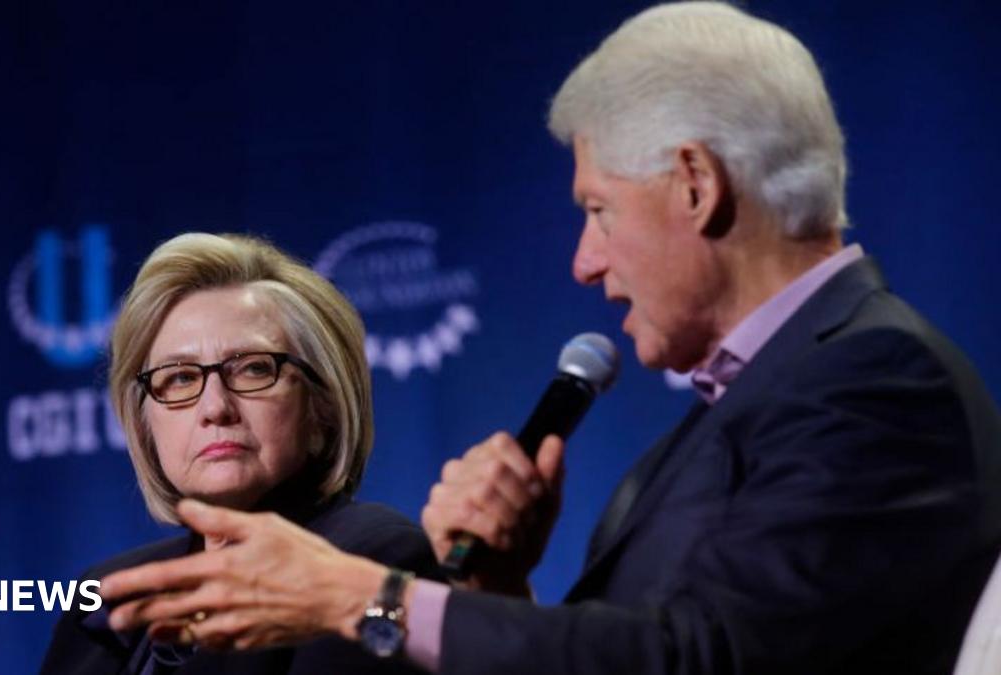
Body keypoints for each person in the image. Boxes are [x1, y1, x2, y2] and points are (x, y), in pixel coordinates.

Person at [96, 3, 1001, 674]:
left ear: (695, 183)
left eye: (598, 210)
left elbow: (712, 661)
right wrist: (501, 586)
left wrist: (360, 598)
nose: (584, 261)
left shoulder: (875, 378)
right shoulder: (725, 420)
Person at [40, 233, 442, 674]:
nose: (215, 408)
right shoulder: (105, 596)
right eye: (179, 379)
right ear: (144, 422)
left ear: (323, 407)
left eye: (253, 369)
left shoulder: (370, 555)